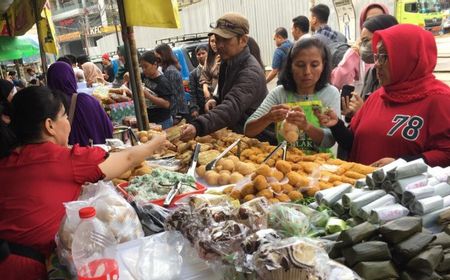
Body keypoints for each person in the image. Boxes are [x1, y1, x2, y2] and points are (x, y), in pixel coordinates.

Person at [0, 86, 166, 279]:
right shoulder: (62, 159)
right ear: (49, 125)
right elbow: (128, 159)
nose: (68, 123)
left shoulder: (9, 158)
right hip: (27, 269)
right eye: (64, 116)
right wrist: (157, 142)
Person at [318, 24, 450, 167]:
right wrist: (336, 125)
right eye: (377, 56)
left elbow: (446, 153)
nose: (377, 64)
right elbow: (353, 143)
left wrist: (402, 164)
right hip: (364, 186)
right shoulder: (377, 97)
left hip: (404, 188)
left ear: (408, 57)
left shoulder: (440, 100)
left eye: (384, 57)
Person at [181, 13, 268, 141]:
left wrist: (198, 126)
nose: (219, 45)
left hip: (257, 140)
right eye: (217, 39)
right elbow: (227, 92)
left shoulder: (251, 72)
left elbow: (232, 106)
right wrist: (216, 99)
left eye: (226, 40)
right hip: (237, 135)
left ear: (243, 40)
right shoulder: (227, 62)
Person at [245, 38, 340, 153]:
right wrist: (268, 117)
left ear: (323, 65)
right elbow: (248, 130)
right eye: (300, 65)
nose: (307, 72)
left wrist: (306, 126)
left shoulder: (330, 94)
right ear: (291, 66)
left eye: (314, 65)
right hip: (287, 164)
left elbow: (330, 140)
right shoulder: (279, 94)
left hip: (322, 166)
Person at [47, 62, 113, 146]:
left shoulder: (48, 107)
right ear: (71, 77)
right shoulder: (85, 100)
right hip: (94, 154)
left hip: (64, 155)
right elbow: (107, 128)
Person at [331, 3, 389, 90]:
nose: (375, 25)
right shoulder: (360, 52)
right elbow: (337, 83)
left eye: (380, 19)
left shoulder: (394, 52)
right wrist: (353, 53)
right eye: (370, 20)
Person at [140, 51, 175, 129]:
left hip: (162, 121)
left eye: (146, 66)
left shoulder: (163, 82)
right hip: (149, 120)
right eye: (142, 67)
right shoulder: (144, 76)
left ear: (155, 65)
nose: (144, 70)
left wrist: (149, 96)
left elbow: (167, 104)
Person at [154, 43, 188, 119]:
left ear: (163, 55)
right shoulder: (166, 69)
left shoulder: (170, 71)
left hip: (178, 114)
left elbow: (174, 96)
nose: (156, 59)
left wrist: (174, 116)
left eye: (157, 56)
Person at [189, 44, 208, 118]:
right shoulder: (193, 74)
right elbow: (192, 93)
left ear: (208, 54)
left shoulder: (215, 69)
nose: (201, 56)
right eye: (198, 54)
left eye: (203, 53)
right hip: (202, 109)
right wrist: (194, 109)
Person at [200, 34, 221, 102]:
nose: (214, 44)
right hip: (212, 96)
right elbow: (204, 75)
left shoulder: (226, 55)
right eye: (212, 41)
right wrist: (205, 90)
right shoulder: (209, 58)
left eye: (217, 41)